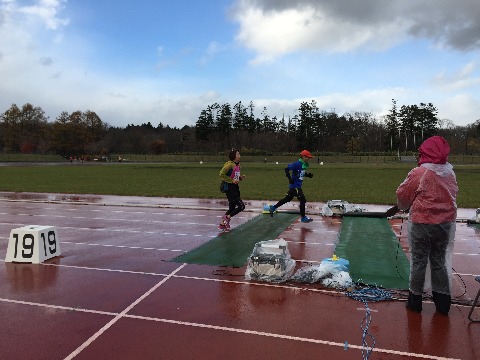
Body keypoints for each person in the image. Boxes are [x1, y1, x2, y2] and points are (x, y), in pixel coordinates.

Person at [396, 136, 458, 315]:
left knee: (418, 262)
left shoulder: (420, 173)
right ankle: (443, 302)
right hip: (445, 224)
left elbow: (403, 195)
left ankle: (415, 302)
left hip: (422, 223)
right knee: (439, 262)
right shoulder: (449, 172)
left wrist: (403, 206)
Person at [269, 150, 314, 223]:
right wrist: (290, 179)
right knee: (302, 200)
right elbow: (286, 169)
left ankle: (273, 207)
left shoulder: (303, 165)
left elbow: (300, 173)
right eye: (308, 157)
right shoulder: (297, 164)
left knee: (287, 199)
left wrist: (308, 175)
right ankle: (303, 217)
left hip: (296, 186)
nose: (309, 159)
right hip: (295, 186)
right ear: (303, 157)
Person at [218, 149, 246, 231]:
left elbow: (235, 177)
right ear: (234, 156)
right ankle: (227, 217)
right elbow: (221, 174)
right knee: (241, 206)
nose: (239, 155)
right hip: (229, 188)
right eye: (238, 154)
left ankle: (222, 224)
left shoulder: (238, 165)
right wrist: (231, 181)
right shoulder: (229, 165)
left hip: (235, 188)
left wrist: (240, 178)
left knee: (231, 208)